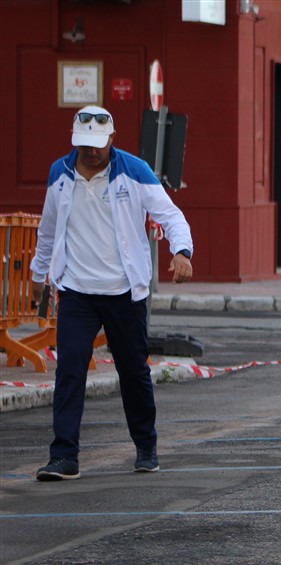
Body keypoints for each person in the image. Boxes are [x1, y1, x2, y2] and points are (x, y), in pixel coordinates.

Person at [30, 105, 195, 481]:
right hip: (77, 292)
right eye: (84, 145)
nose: (91, 152)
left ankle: (146, 447)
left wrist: (181, 251)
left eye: (98, 145)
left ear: (112, 139)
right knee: (69, 371)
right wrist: (40, 276)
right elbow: (48, 232)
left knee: (133, 371)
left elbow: (171, 216)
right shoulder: (60, 174)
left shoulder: (134, 171)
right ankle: (64, 456)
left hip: (124, 292)